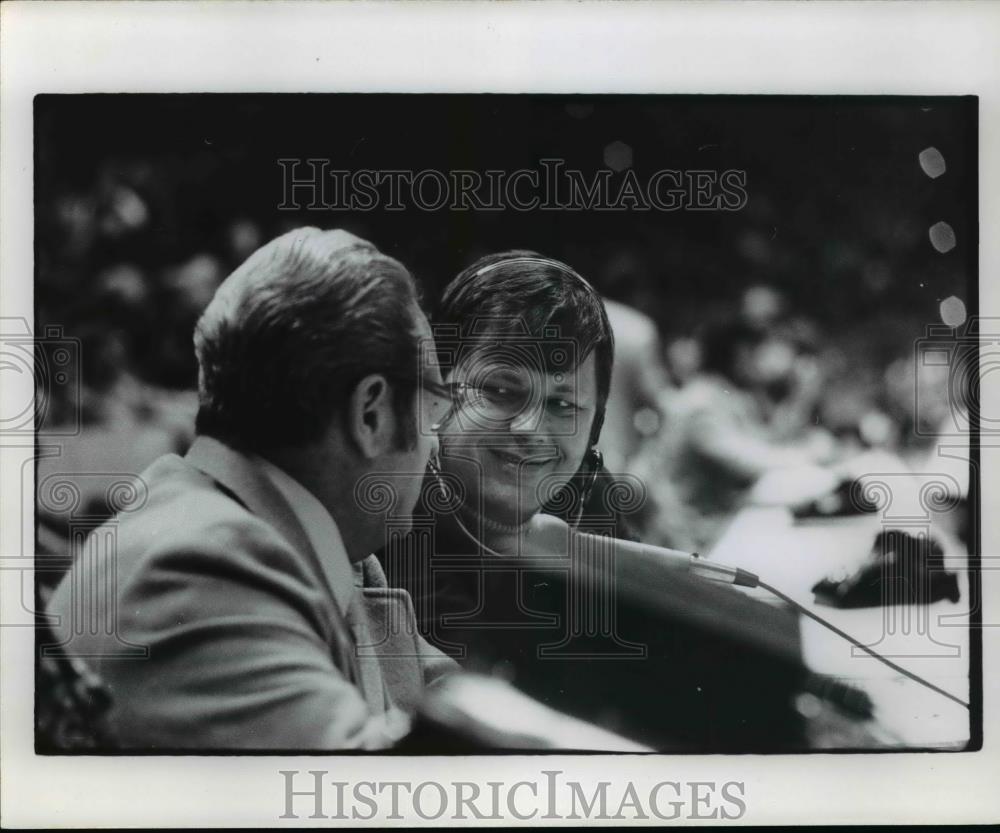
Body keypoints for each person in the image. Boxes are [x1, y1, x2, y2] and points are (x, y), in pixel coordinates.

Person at [45, 227, 457, 751]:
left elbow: (452, 706)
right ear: (371, 414)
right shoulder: (201, 567)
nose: (434, 444)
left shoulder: (322, 556)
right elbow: (368, 789)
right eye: (432, 408)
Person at [378, 251, 648, 661]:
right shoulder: (393, 504)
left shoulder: (583, 487)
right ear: (436, 388)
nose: (529, 429)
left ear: (595, 424)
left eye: (562, 405)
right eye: (500, 391)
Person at [631, 315, 837, 551]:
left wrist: (802, 399)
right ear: (741, 354)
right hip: (689, 539)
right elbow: (748, 460)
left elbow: (767, 440)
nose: (768, 363)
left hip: (712, 529)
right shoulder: (702, 402)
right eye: (761, 352)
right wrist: (810, 454)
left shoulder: (727, 395)